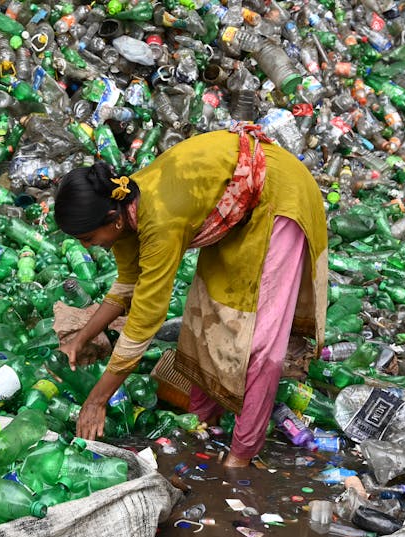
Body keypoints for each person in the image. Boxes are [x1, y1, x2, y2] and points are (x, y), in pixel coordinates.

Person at [53, 124, 328, 467]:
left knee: (259, 338)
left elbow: (144, 321)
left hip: (279, 194)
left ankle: (242, 454)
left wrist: (97, 399)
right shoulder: (122, 208)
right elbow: (126, 286)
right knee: (207, 317)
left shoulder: (159, 220)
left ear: (113, 219)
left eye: (89, 238)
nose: (87, 246)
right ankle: (202, 423)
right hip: (233, 207)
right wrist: (83, 336)